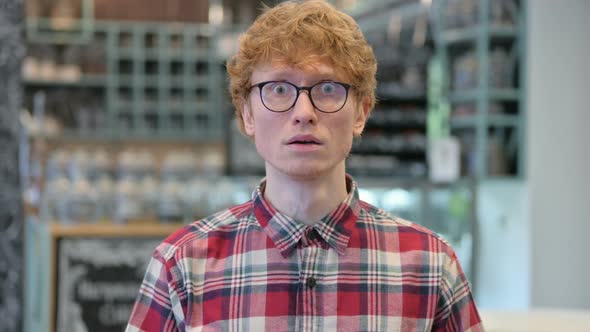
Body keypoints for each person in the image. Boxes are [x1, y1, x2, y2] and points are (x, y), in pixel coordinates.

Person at [126, 1, 484, 331]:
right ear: (247, 114)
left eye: (328, 88)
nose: (304, 114)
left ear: (361, 111)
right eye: (279, 89)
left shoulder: (429, 267)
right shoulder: (183, 267)